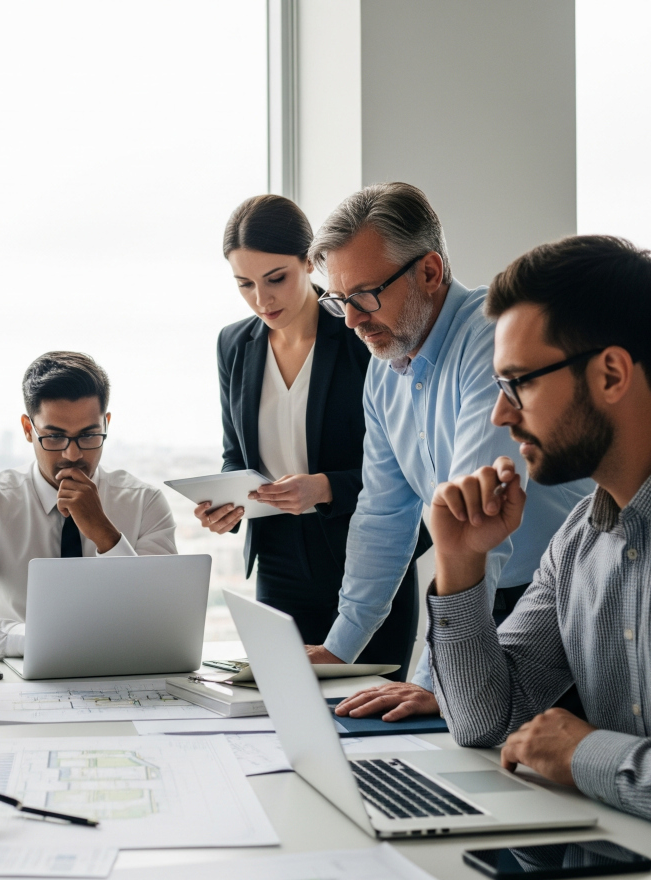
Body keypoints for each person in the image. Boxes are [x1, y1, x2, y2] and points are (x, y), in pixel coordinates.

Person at [302, 183, 592, 721]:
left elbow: (474, 519)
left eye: (364, 295)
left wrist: (437, 680)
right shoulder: (383, 371)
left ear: (430, 273)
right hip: (479, 592)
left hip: (560, 597)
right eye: (338, 300)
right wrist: (339, 650)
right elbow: (383, 516)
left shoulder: (490, 339)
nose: (350, 320)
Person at [425, 235, 651, 821]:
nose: (501, 415)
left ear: (610, 374)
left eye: (518, 383)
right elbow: (484, 721)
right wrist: (460, 564)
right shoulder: (579, 541)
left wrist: (587, 754)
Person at [198, 194, 425, 679]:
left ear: (309, 261)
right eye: (245, 284)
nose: (262, 299)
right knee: (282, 707)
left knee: (374, 718)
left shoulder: (362, 334)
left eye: (276, 279)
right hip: (278, 563)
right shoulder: (234, 344)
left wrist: (323, 487)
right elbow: (235, 453)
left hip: (365, 560)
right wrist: (226, 501)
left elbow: (408, 467)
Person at [0, 351, 176, 660]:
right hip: (18, 672)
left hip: (120, 673)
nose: (74, 454)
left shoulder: (145, 503)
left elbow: (163, 621)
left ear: (106, 424)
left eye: (89, 435)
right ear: (28, 429)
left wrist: (105, 534)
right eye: (54, 437)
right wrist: (41, 640)